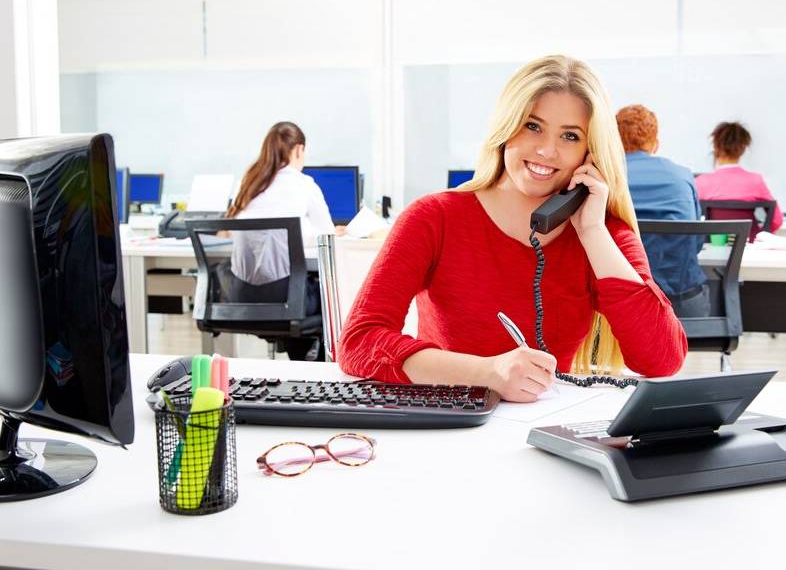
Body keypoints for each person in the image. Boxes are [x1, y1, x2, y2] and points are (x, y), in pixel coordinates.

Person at [337, 56, 687, 402]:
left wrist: (593, 231)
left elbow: (662, 360)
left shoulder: (602, 232)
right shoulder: (434, 217)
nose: (547, 150)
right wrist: (488, 373)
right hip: (447, 424)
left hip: (548, 435)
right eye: (532, 126)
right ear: (506, 128)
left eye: (570, 136)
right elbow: (358, 342)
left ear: (590, 153)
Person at [224, 121, 336, 360]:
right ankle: (315, 366)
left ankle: (300, 357)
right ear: (298, 150)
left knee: (297, 284)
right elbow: (328, 237)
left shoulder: (248, 184)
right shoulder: (304, 184)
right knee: (330, 293)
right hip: (288, 301)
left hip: (242, 299)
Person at [617, 104, 709, 318]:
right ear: (655, 144)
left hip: (623, 305)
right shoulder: (683, 176)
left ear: (614, 141)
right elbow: (695, 242)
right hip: (682, 304)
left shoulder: (605, 177)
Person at [695, 122, 784, 235]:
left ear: (716, 147)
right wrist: (758, 236)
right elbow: (777, 220)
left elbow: (691, 220)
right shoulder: (755, 181)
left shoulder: (701, 182)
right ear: (742, 149)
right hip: (749, 246)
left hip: (713, 245)